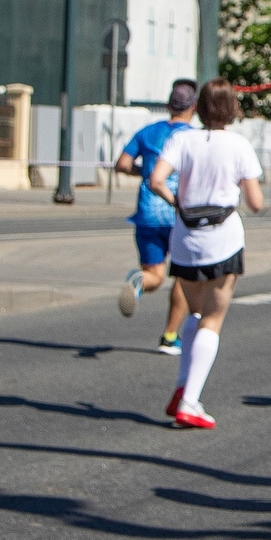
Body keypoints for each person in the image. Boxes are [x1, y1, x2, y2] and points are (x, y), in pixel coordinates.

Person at [145, 81, 265, 430]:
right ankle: (190, 402)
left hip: (185, 238)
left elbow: (156, 180)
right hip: (223, 239)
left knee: (194, 313)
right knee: (212, 320)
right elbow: (255, 203)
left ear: (199, 107)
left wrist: (178, 202)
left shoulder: (182, 139)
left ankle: (184, 386)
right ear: (232, 109)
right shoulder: (239, 145)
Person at [114, 79, 198, 355]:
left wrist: (145, 172)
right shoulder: (193, 137)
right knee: (183, 279)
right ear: (193, 108)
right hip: (179, 214)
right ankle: (170, 336)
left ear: (167, 106)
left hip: (148, 214)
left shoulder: (147, 132)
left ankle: (139, 280)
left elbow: (123, 164)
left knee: (154, 274)